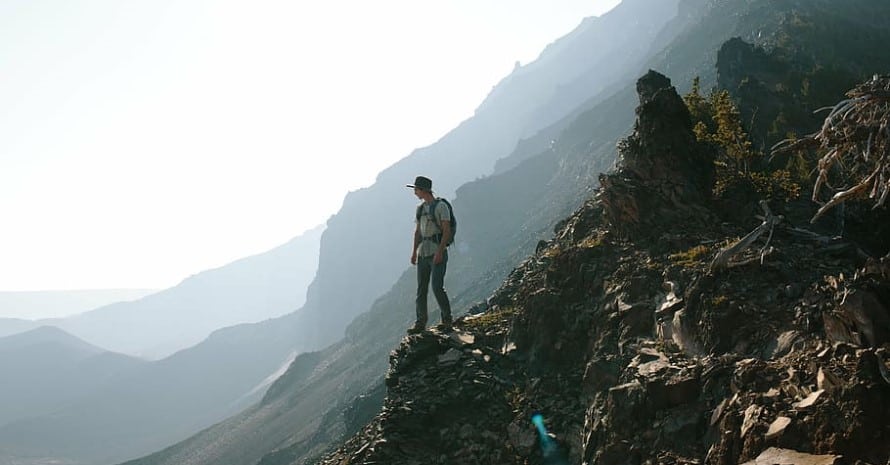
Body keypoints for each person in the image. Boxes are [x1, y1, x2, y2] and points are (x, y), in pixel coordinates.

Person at [406, 175, 453, 333]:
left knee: (437, 287)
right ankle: (420, 323)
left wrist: (440, 252)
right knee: (421, 289)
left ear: (423, 190)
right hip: (423, 254)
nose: (415, 193)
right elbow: (418, 232)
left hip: (436, 253)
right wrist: (414, 252)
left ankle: (447, 319)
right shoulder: (421, 209)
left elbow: (446, 231)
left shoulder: (441, 207)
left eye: (416, 190)